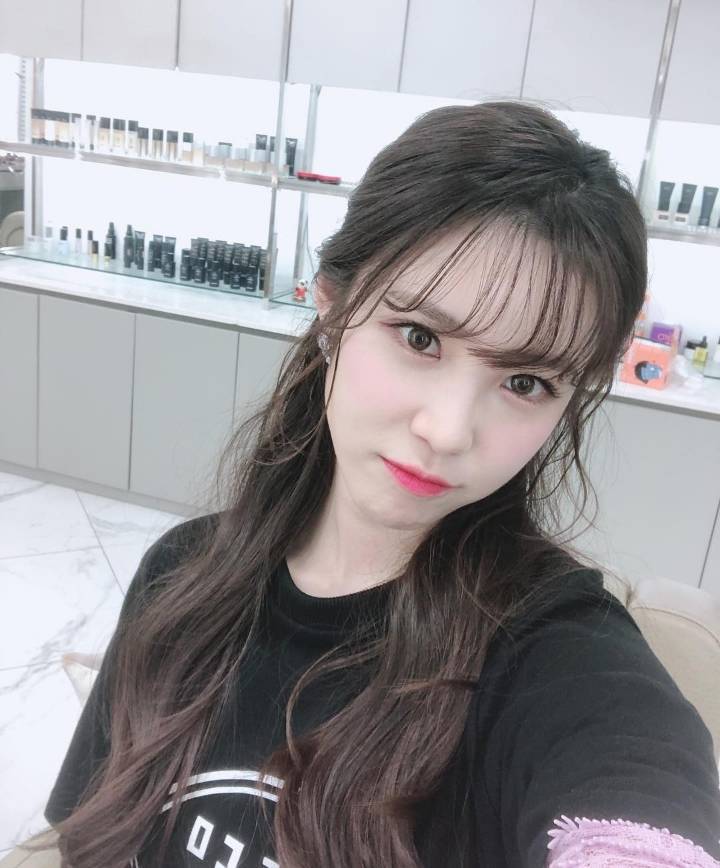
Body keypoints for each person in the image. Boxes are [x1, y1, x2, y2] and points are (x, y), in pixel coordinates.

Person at [28, 101, 720, 867]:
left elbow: (633, 774)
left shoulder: (553, 658)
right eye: (421, 338)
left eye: (526, 382)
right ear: (333, 311)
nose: (449, 430)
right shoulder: (180, 574)